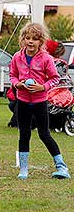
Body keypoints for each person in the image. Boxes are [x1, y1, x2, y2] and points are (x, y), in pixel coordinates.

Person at [9, 22, 71, 180]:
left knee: (45, 134)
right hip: (22, 102)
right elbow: (13, 75)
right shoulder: (17, 57)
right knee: (24, 134)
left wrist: (42, 87)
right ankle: (23, 169)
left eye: (35, 39)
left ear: (41, 41)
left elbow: (55, 78)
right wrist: (18, 84)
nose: (30, 41)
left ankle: (62, 167)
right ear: (22, 39)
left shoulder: (46, 59)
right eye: (27, 38)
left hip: (40, 103)